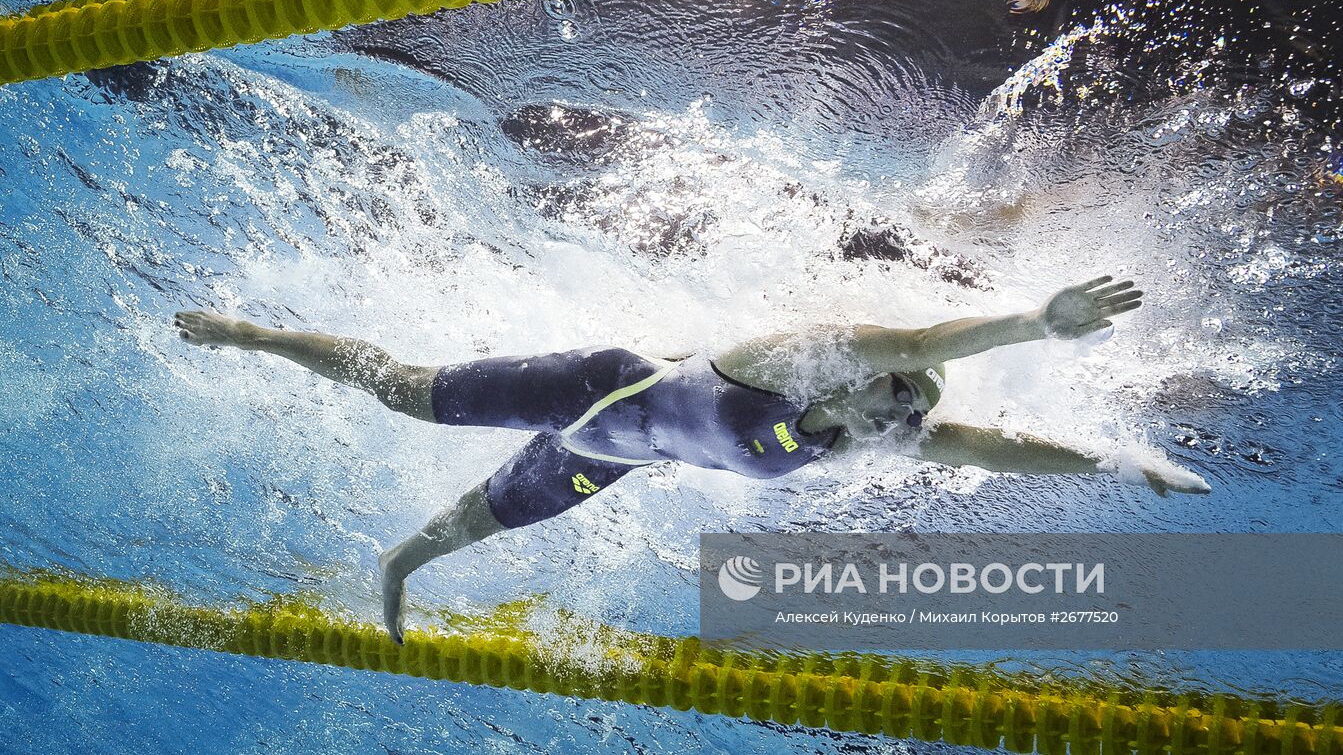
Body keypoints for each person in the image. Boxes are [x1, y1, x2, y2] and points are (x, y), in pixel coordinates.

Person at [174, 274, 1208, 643]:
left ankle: (394, 565)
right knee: (401, 391)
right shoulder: (789, 360)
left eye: (909, 406)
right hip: (589, 390)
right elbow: (930, 342)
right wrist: (1036, 319)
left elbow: (1003, 451)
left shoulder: (872, 438)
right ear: (863, 371)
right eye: (894, 384)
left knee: (475, 526)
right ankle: (254, 334)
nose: (899, 402)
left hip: (611, 461)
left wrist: (1121, 462)